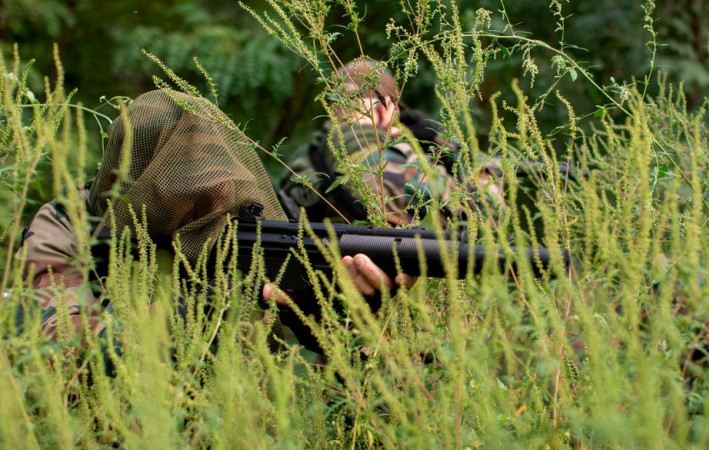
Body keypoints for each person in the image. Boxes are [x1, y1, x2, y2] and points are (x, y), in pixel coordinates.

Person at [16, 88, 412, 354]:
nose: (211, 206)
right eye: (187, 194)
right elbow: (55, 346)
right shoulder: (68, 224)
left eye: (217, 190)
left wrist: (351, 307)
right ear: (138, 178)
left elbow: (319, 353)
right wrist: (209, 306)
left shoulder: (245, 228)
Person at [277, 59, 502, 227]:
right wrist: (458, 152)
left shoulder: (307, 156)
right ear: (386, 107)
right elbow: (487, 217)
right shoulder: (385, 159)